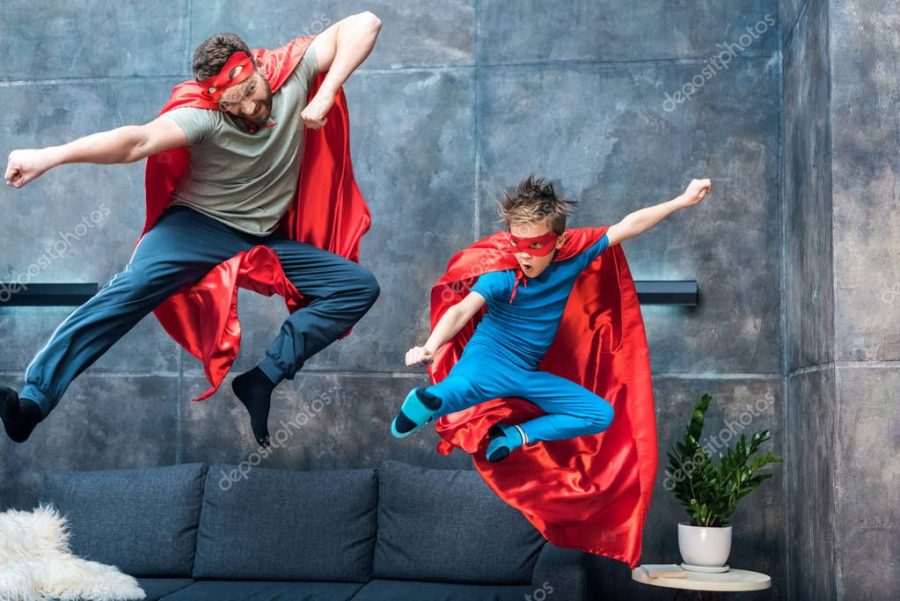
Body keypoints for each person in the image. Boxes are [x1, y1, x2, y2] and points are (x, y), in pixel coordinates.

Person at [1, 12, 383, 447]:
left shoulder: (291, 72)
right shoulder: (203, 117)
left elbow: (366, 23)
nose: (247, 108)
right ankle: (33, 401)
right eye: (232, 102)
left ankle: (262, 377)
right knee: (129, 290)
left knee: (356, 287)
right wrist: (48, 156)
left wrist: (327, 91)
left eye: (251, 93)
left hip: (262, 238)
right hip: (195, 227)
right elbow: (137, 141)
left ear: (260, 69)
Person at [390, 174, 709, 566]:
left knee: (598, 413)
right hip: (490, 359)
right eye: (517, 244)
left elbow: (628, 226)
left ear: (557, 241)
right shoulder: (502, 274)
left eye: (535, 245)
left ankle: (517, 434)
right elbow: (460, 310)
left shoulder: (575, 254)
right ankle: (426, 404)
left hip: (526, 373)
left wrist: (681, 200)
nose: (525, 255)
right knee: (465, 387)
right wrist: (429, 346)